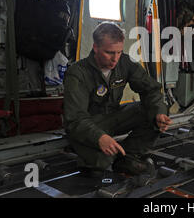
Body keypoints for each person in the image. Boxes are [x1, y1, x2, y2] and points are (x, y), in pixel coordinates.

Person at [63, 22, 172, 176]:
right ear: (95, 48)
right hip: (89, 125)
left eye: (119, 52)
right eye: (109, 52)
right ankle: (103, 154)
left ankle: (128, 154)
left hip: (113, 118)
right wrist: (99, 137)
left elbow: (151, 90)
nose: (115, 59)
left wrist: (159, 113)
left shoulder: (125, 62)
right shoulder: (77, 73)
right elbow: (75, 118)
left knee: (154, 110)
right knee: (102, 162)